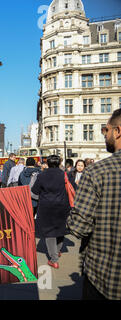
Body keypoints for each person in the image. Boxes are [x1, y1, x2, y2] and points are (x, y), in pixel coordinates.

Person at [67, 109, 121, 300]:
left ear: (117, 132)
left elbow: (79, 227)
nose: (104, 135)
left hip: (106, 276)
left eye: (105, 130)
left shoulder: (98, 172)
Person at [31, 155, 70, 269]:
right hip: (62, 205)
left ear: (47, 163)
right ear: (59, 163)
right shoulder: (64, 174)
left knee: (49, 233)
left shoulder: (42, 175)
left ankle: (54, 260)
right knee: (61, 229)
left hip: (46, 206)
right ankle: (57, 251)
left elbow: (35, 190)